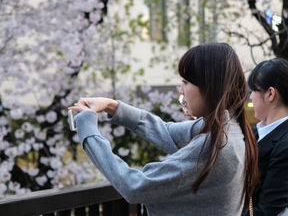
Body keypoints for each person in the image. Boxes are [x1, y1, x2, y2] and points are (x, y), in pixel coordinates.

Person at [68, 43, 259, 216]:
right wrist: (112, 106)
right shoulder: (231, 128)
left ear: (209, 86)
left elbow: (134, 186)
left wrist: (89, 132)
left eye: (186, 82)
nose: (181, 91)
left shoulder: (212, 145)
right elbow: (166, 132)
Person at [242, 58, 288, 216]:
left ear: (270, 94)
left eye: (253, 91)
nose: (250, 98)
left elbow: (267, 212)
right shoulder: (260, 133)